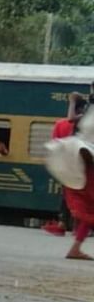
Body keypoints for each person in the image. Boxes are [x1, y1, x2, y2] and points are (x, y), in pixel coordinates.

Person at [45, 107, 94, 260]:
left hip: (81, 173)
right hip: (85, 173)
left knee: (89, 213)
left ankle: (75, 248)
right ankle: (75, 248)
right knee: (89, 213)